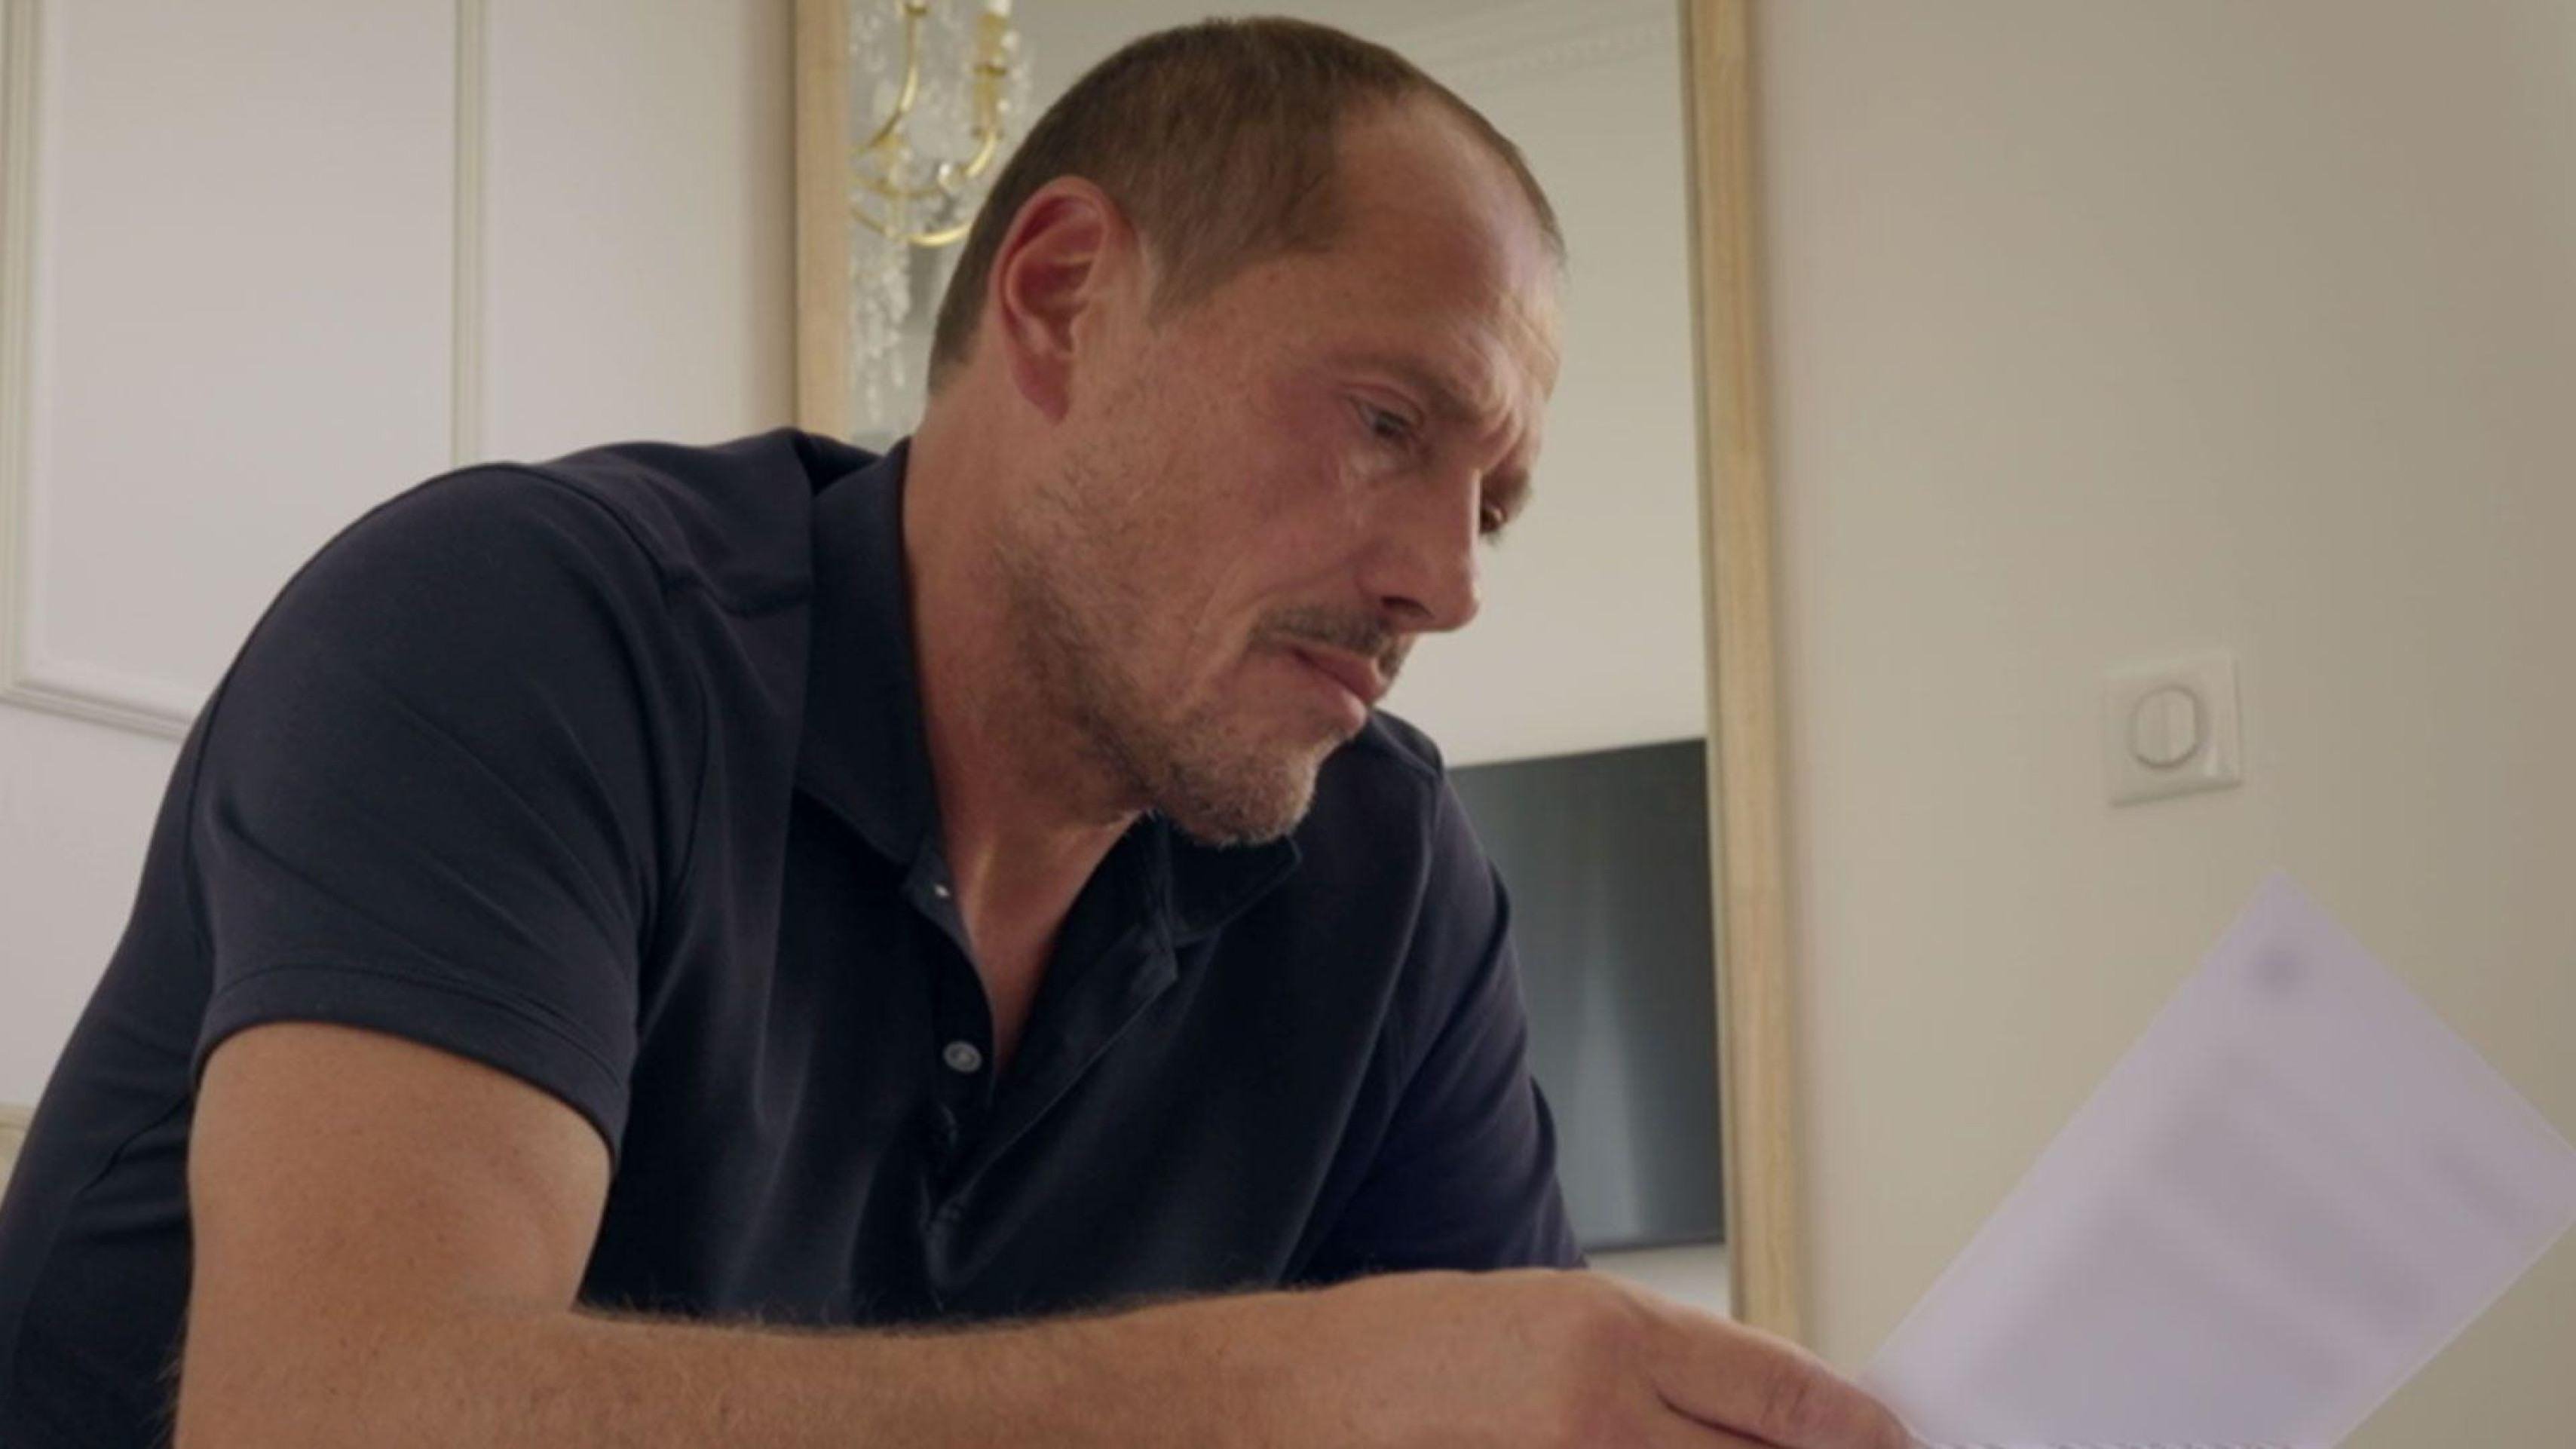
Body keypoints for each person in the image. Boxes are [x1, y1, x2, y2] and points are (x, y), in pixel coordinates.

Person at [0, 17, 1908, 1449]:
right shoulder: (523, 626)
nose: (1446, 583)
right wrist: (1276, 1389)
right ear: (1062, 298)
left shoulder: (1389, 877)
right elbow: (331, 1414)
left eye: (1492, 500)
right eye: (1389, 424)